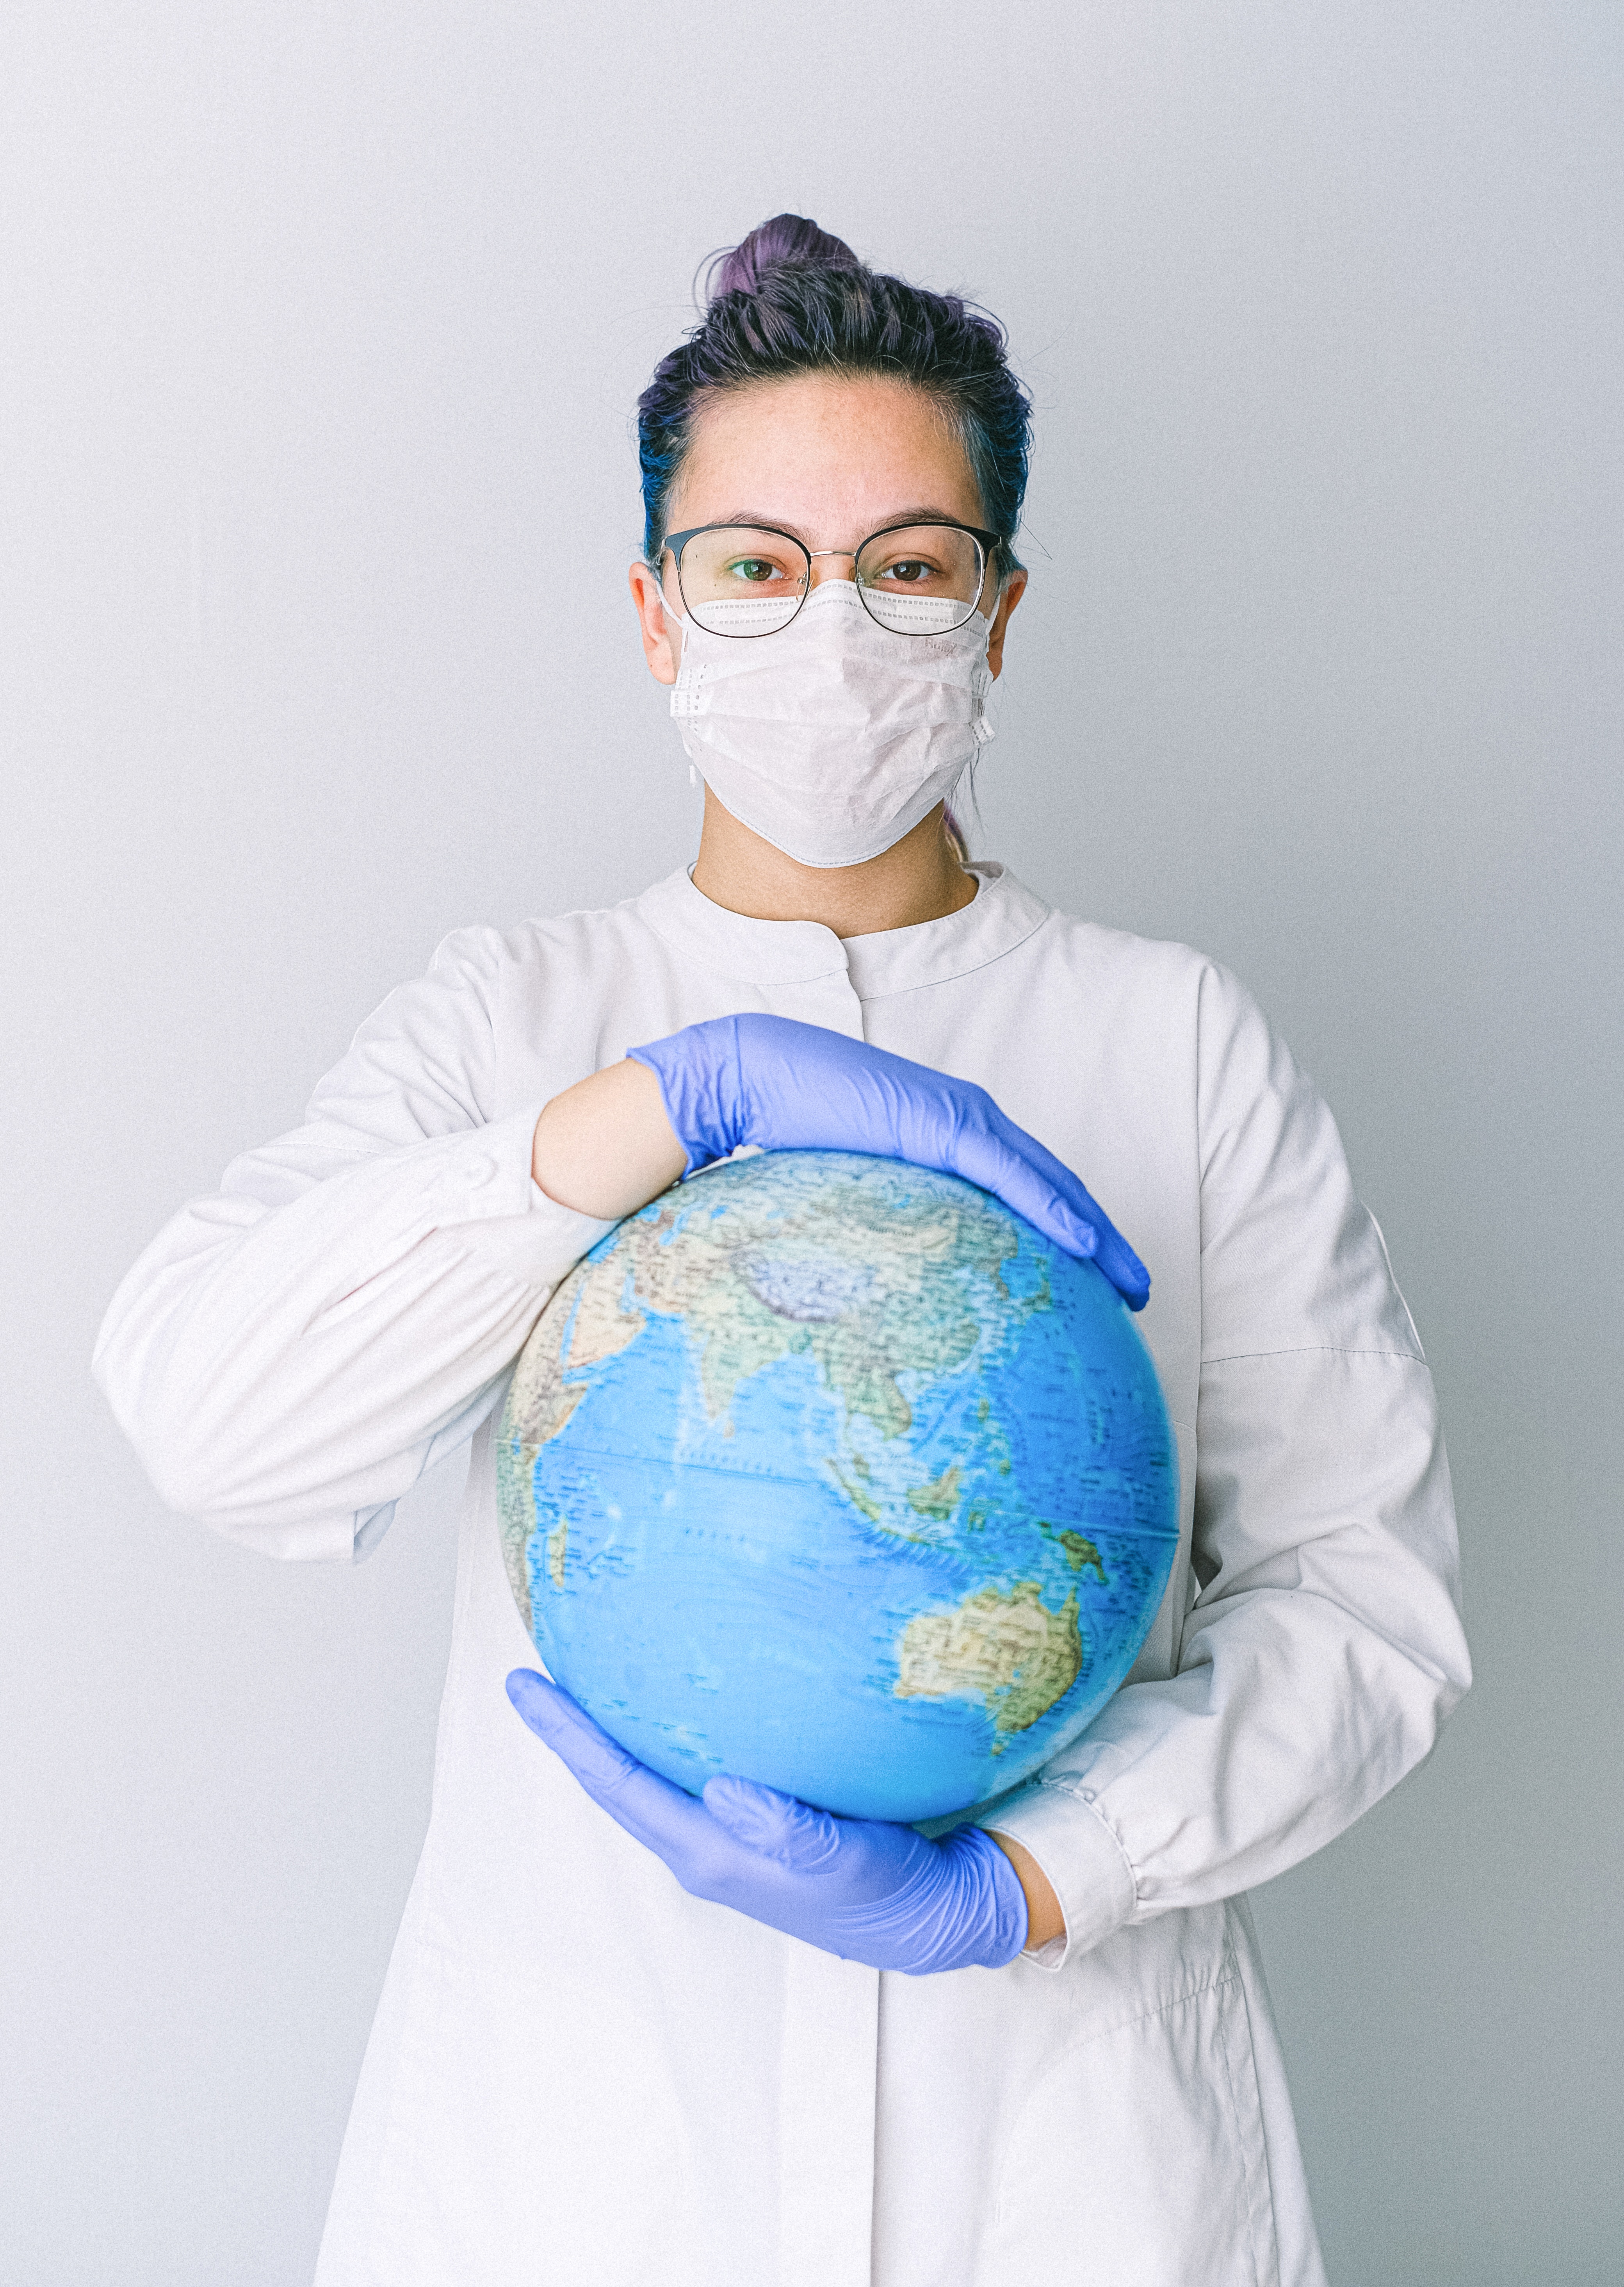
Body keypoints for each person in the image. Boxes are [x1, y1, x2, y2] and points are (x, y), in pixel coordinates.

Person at [95, 214, 1471, 2287]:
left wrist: (1020, 1883)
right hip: (585, 2170)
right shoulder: (512, 1020)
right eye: (753, 565)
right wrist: (642, 1118)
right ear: (657, 618)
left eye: (910, 566)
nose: (831, 631)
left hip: (1068, 2173)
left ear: (998, 617)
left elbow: (1371, 1613)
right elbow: (216, 1423)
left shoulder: (1172, 1041)